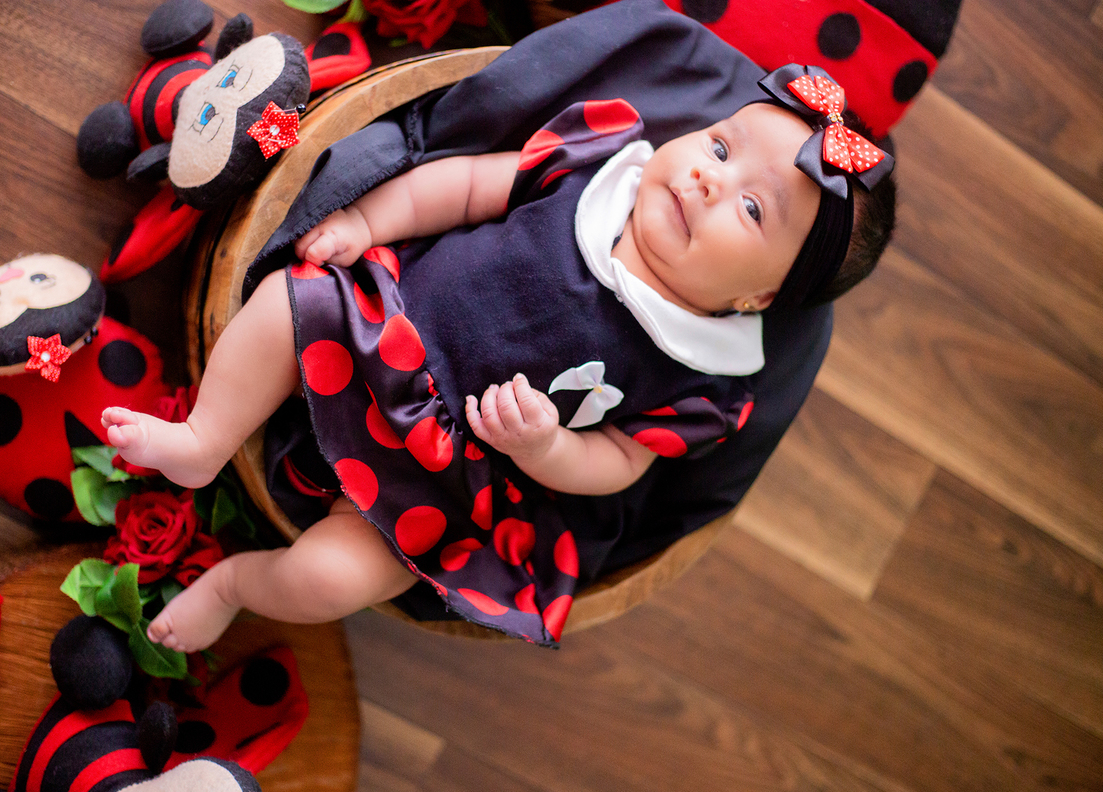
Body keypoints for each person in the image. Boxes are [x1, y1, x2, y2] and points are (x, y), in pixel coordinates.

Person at [102, 61, 895, 651]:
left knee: (339, 578)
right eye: (720, 148)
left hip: (448, 468)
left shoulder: (708, 377)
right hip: (377, 325)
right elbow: (467, 188)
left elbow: (620, 462)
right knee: (288, 303)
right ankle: (205, 440)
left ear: (758, 298)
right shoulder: (599, 165)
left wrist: (547, 446)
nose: (707, 182)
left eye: (753, 209)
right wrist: (370, 224)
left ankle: (237, 583)